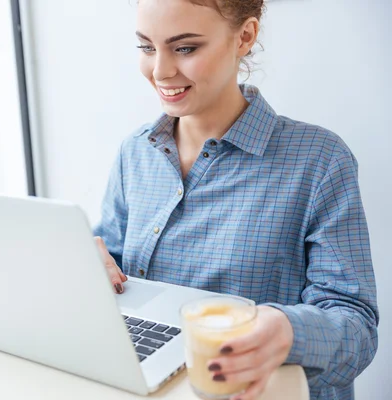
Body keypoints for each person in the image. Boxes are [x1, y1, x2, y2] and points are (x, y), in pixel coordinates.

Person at [92, 1, 378, 399]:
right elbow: (114, 267)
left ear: (244, 36)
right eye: (146, 47)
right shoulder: (135, 152)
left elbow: (357, 329)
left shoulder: (319, 160)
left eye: (185, 48)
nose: (160, 71)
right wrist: (91, 266)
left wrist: (288, 330)